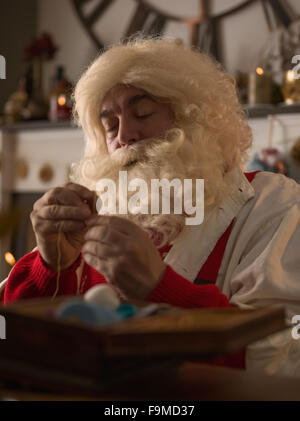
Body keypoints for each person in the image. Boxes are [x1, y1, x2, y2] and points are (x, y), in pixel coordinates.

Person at [2, 37, 300, 377]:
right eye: (110, 125)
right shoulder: (92, 221)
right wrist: (51, 266)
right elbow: (16, 344)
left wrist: (159, 287)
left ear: (194, 117)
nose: (124, 134)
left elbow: (283, 356)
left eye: (142, 112)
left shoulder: (270, 203)